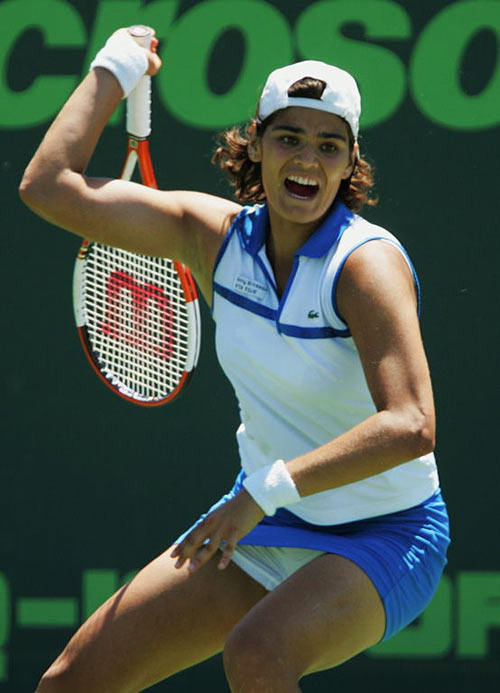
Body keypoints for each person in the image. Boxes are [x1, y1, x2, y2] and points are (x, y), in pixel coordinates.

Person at [20, 28, 450, 693]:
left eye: (329, 145)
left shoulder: (365, 266)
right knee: (73, 681)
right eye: (289, 138)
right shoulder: (212, 239)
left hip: (386, 534)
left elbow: (412, 423)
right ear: (257, 144)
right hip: (262, 519)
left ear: (348, 164)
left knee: (258, 654)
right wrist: (115, 65)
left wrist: (266, 490)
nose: (307, 158)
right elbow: (48, 186)